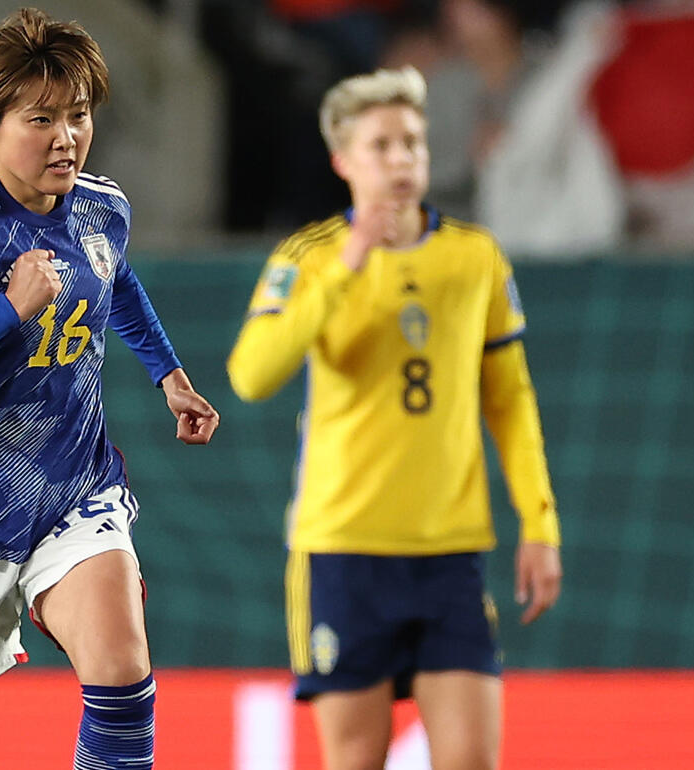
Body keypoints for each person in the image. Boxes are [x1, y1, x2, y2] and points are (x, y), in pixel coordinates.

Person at [0, 9, 219, 770]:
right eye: (42, 119)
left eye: (79, 115)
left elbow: (115, 278)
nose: (67, 137)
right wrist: (7, 310)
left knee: (123, 679)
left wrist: (169, 374)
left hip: (75, 492)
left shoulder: (102, 205)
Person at [227, 66, 561, 770]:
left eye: (412, 142)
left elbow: (510, 400)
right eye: (380, 146)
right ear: (343, 161)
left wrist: (539, 523)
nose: (401, 159)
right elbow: (252, 375)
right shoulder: (311, 258)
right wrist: (349, 266)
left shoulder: (474, 257)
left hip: (449, 551)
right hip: (344, 549)